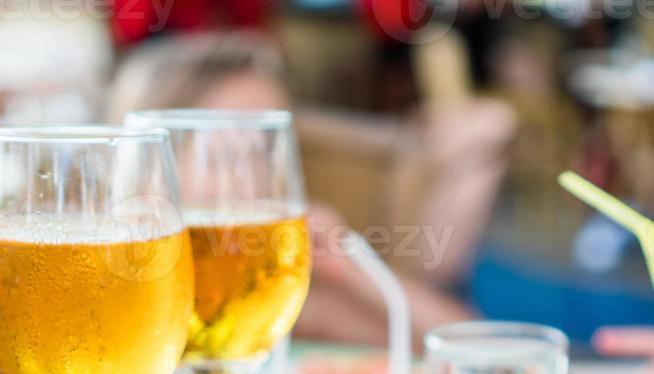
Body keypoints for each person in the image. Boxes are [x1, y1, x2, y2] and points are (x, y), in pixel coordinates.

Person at [107, 31, 480, 348]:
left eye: (268, 156)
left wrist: (351, 268)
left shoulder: (270, 292)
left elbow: (474, 347)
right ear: (147, 164)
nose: (252, 182)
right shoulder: (107, 281)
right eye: (223, 157)